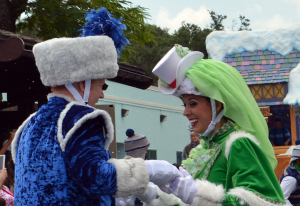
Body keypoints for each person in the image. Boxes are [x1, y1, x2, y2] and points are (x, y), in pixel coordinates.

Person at [11, 8, 181, 206]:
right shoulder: (79, 119)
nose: (102, 94)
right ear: (83, 84)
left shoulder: (29, 124)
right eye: (101, 85)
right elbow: (96, 177)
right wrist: (148, 170)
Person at [152, 45, 287, 205]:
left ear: (217, 105)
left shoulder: (237, 144)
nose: (186, 112)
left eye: (193, 103)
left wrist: (195, 194)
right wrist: (154, 195)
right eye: (185, 104)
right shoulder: (205, 148)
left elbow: (261, 201)